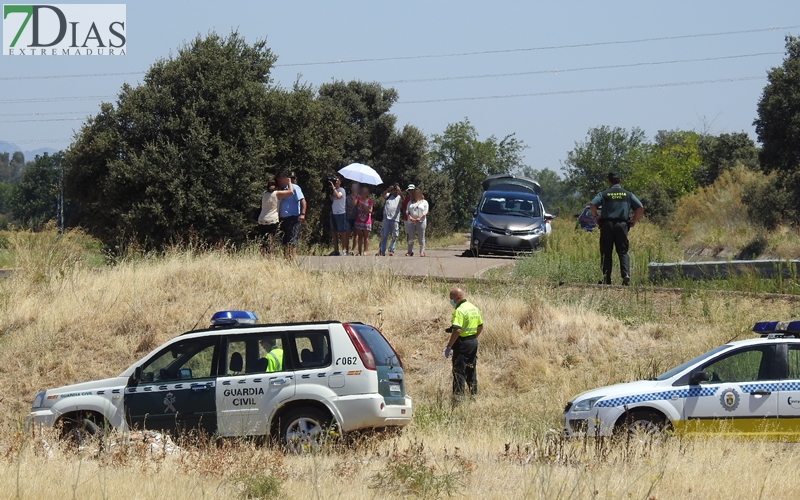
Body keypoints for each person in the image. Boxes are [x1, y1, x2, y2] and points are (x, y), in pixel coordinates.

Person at [589, 172, 645, 286]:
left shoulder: (604, 194)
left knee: (606, 252)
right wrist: (634, 220)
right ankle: (626, 275)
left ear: (609, 182)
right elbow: (640, 207)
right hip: (622, 225)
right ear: (620, 181)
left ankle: (606, 279)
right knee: (623, 251)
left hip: (607, 225)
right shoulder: (628, 194)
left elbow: (592, 205)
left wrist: (596, 216)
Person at [444, 288, 483, 399]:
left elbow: (457, 330)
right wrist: (473, 337)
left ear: (459, 297)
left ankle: (458, 396)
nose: (452, 301)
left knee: (459, 369)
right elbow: (480, 326)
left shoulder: (460, 310)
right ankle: (473, 394)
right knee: (471, 367)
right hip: (473, 342)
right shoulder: (474, 308)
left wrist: (449, 346)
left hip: (462, 343)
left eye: (452, 299)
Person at [256, 179, 295, 254]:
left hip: (261, 219)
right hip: (272, 220)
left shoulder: (264, 194)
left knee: (263, 242)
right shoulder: (277, 194)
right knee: (271, 241)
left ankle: (263, 257)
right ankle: (270, 258)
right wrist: (289, 182)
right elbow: (290, 192)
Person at [276, 171, 306, 260]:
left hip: (292, 217)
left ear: (285, 179)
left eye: (280, 180)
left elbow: (303, 201)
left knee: (292, 239)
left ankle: (291, 259)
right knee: (285, 240)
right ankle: (286, 258)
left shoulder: (295, 188)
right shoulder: (281, 189)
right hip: (283, 218)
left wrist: (302, 214)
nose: (279, 182)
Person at [377, 184, 402, 256]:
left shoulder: (399, 197)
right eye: (394, 190)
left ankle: (391, 250)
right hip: (386, 218)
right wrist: (388, 189)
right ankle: (382, 251)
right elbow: (383, 195)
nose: (395, 191)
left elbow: (403, 200)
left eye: (396, 190)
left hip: (395, 219)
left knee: (394, 235)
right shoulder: (388, 195)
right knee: (384, 235)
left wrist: (400, 192)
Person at [405, 187, 429, 257]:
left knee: (421, 237)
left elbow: (425, 211)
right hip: (411, 221)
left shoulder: (424, 202)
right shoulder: (410, 202)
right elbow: (407, 211)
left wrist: (419, 218)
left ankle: (422, 251)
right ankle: (409, 251)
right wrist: (410, 217)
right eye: (415, 193)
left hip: (421, 221)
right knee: (411, 237)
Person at [328, 176, 348, 256]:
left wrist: (333, 187)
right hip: (334, 212)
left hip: (341, 213)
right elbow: (333, 198)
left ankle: (344, 249)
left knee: (342, 232)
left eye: (337, 180)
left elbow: (338, 196)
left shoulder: (341, 190)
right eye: (334, 181)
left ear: (340, 182)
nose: (335, 182)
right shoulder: (334, 191)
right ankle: (336, 250)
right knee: (334, 232)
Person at [353, 185, 374, 256]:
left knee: (366, 236)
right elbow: (353, 204)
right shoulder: (358, 199)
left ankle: (365, 251)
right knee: (359, 236)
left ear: (367, 193)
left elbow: (370, 211)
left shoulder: (370, 201)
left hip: (366, 221)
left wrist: (364, 206)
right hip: (359, 220)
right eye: (362, 192)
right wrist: (355, 196)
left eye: (365, 192)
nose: (363, 194)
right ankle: (359, 251)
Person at [345, 182, 360, 255]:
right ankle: (346, 250)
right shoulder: (347, 197)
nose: (354, 189)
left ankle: (353, 250)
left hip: (357, 218)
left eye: (356, 187)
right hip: (348, 217)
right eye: (353, 187)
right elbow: (345, 207)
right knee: (347, 234)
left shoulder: (360, 197)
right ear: (351, 188)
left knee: (356, 235)